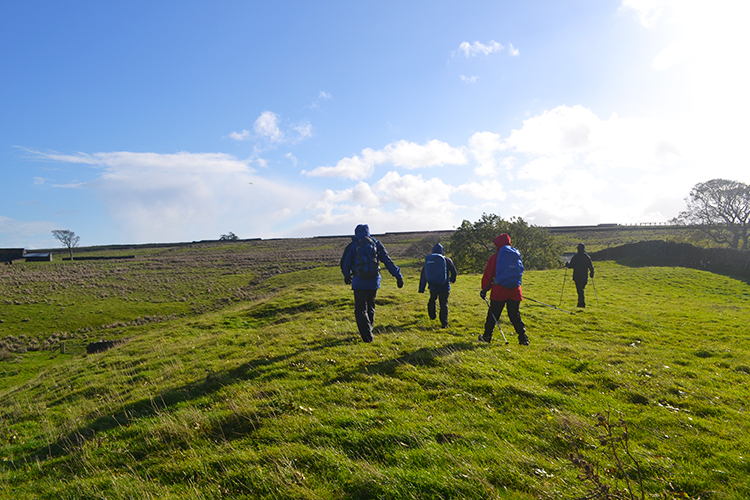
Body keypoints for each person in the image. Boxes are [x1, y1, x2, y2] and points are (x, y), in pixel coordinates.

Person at [341, 224, 404, 342]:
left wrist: (346, 275)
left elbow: (346, 263)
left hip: (359, 282)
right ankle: (369, 330)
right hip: (373, 281)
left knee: (360, 309)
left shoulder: (354, 245)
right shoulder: (376, 244)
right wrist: (398, 276)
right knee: (370, 306)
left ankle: (367, 336)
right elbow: (387, 260)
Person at [478, 233, 529, 345]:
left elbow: (488, 275)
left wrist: (484, 290)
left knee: (493, 315)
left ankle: (487, 336)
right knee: (515, 315)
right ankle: (523, 338)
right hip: (515, 290)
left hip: (499, 291)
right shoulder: (516, 255)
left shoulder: (495, 257)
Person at [418, 243, 457, 328]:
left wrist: (422, 288)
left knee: (432, 299)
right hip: (445, 286)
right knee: (443, 304)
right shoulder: (447, 260)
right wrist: (452, 280)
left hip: (433, 285)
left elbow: (423, 274)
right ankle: (444, 323)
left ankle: (432, 315)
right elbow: (454, 272)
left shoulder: (429, 261)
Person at [566, 243, 595, 308]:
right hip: (584, 277)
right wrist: (591, 273)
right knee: (581, 290)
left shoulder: (576, 257)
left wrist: (567, 264)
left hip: (577, 276)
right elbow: (591, 267)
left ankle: (582, 304)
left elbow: (571, 266)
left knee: (580, 291)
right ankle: (580, 304)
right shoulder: (587, 257)